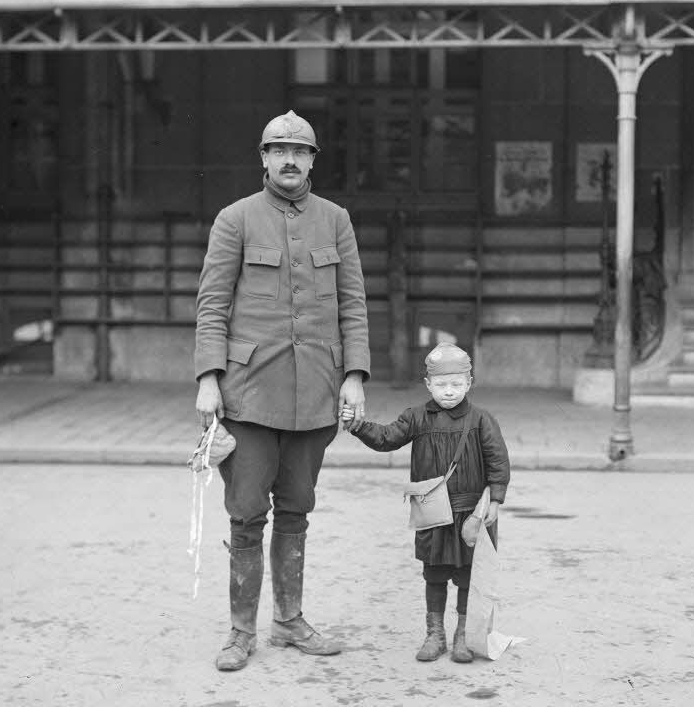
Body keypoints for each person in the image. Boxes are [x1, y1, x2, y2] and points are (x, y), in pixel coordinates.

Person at [194, 110, 370, 672]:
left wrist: (355, 376)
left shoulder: (336, 220)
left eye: (300, 151)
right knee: (247, 513)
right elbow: (212, 304)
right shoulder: (235, 219)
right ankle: (241, 631)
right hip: (247, 393)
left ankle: (289, 622)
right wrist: (207, 380)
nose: (289, 159)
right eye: (279, 150)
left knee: (297, 508)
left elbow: (353, 305)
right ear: (263, 158)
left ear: (314, 160)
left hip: (316, 391)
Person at [343, 343, 509, 663]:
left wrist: (496, 500)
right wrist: (358, 425)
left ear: (469, 383)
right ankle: (435, 634)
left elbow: (498, 462)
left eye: (457, 384)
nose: (449, 392)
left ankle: (463, 634)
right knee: (433, 574)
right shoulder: (416, 417)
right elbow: (387, 438)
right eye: (442, 385)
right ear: (428, 384)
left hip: (469, 515)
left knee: (465, 575)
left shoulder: (481, 420)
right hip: (432, 514)